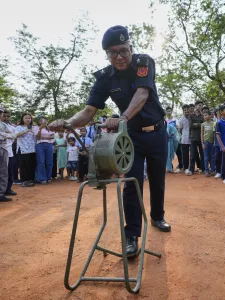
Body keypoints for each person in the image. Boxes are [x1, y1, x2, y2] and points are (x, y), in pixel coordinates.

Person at [49, 25, 170, 258]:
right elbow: (88, 110)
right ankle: (131, 236)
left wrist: (122, 117)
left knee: (158, 178)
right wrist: (68, 123)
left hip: (156, 132)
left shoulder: (144, 63)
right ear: (106, 53)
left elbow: (142, 94)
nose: (119, 56)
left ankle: (157, 216)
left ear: (131, 48)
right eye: (113, 52)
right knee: (131, 182)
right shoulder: (105, 78)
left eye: (123, 50)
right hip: (131, 136)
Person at [14, 113, 36, 187]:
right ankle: (24, 181)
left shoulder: (33, 127)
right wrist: (25, 131)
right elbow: (15, 135)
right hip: (22, 148)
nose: (28, 119)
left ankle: (31, 179)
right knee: (23, 165)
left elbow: (36, 137)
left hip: (32, 148)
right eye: (26, 118)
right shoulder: (18, 127)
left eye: (29, 118)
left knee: (31, 165)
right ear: (22, 119)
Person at [0, 107, 16, 202]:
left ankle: (1, 193)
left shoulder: (4, 125)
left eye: (0, 112)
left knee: (3, 172)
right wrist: (8, 135)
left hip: (3, 147)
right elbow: (9, 135)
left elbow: (12, 133)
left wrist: (9, 135)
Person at [34, 116, 55, 184]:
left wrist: (44, 137)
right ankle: (42, 178)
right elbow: (38, 137)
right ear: (38, 121)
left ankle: (48, 177)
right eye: (41, 120)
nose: (43, 122)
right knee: (41, 161)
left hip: (49, 145)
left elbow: (53, 136)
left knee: (49, 162)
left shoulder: (49, 128)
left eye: (44, 120)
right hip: (40, 145)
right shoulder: (36, 127)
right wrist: (40, 129)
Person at [188, 101, 205, 175]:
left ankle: (203, 168)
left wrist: (196, 124)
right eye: (199, 105)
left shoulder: (202, 116)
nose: (200, 107)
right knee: (193, 154)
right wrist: (200, 124)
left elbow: (204, 124)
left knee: (202, 154)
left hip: (202, 137)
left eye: (201, 105)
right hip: (193, 137)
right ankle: (191, 169)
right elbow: (191, 125)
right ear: (195, 106)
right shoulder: (191, 115)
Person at [165, 106, 183, 173]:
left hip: (175, 139)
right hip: (168, 140)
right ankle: (170, 167)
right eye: (167, 111)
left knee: (178, 152)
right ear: (166, 112)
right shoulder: (165, 120)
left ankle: (181, 166)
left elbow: (177, 128)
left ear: (171, 112)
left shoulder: (175, 120)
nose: (168, 112)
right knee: (168, 153)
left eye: (169, 111)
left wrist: (172, 134)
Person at [201, 110, 215, 177]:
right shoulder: (203, 124)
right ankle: (206, 170)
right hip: (205, 143)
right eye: (203, 115)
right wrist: (202, 143)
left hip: (212, 143)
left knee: (212, 157)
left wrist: (215, 143)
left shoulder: (213, 123)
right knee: (206, 157)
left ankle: (212, 170)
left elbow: (215, 134)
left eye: (206, 115)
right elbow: (202, 134)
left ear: (210, 115)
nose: (204, 116)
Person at [179, 105, 191, 174]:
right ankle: (186, 167)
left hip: (192, 139)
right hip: (184, 139)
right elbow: (180, 130)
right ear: (183, 111)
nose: (186, 111)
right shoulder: (181, 119)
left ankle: (192, 167)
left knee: (193, 154)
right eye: (185, 110)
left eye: (187, 110)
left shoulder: (191, 118)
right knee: (185, 154)